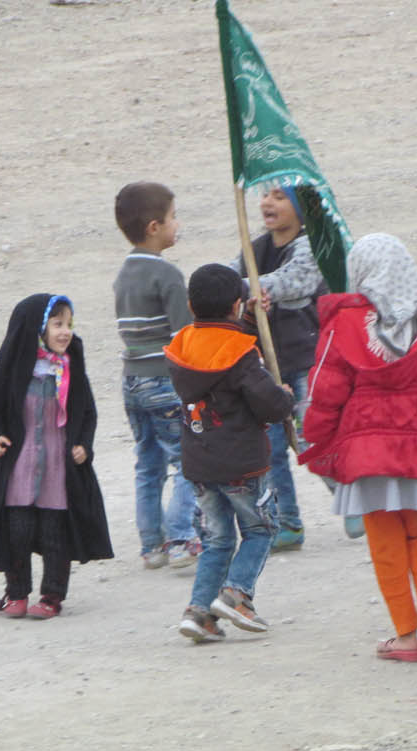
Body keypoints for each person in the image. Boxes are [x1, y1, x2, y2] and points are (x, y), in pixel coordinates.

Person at [300, 234, 417, 662]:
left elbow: (325, 389)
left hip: (366, 450)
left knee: (384, 542)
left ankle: (406, 636)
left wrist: (316, 436)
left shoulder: (343, 325)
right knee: (414, 530)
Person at [164, 263, 296, 643]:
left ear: (191, 306)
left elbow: (219, 357)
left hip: (200, 465)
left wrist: (249, 323)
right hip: (242, 465)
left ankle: (200, 613)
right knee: (260, 529)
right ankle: (236, 594)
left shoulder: (183, 346)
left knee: (217, 540)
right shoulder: (241, 355)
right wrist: (284, 398)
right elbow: (268, 403)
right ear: (236, 305)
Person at [0, 294, 112, 618]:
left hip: (58, 467)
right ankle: (16, 592)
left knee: (54, 533)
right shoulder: (13, 367)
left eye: (69, 324)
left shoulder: (70, 366)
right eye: (57, 324)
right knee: (17, 530)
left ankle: (52, 596)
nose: (66, 332)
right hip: (19, 465)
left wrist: (84, 445)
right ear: (37, 328)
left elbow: (87, 412)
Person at [230, 184, 351, 551]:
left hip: (307, 362)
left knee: (313, 438)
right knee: (270, 449)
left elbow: (293, 281)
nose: (268, 202)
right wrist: (222, 287)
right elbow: (229, 278)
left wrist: (242, 289)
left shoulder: (309, 248)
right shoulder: (254, 250)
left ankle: (351, 498)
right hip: (267, 368)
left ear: (302, 209)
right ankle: (287, 523)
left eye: (279, 197)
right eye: (265, 195)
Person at [113, 181, 200, 569]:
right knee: (187, 459)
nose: (176, 224)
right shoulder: (167, 275)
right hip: (164, 379)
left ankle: (152, 545)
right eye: (172, 217)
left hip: (131, 379)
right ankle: (181, 538)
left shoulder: (124, 273)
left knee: (148, 463)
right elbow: (184, 335)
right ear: (154, 227)